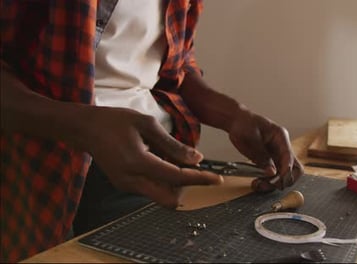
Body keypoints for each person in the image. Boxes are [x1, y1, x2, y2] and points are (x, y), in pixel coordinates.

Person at [0, 0, 304, 262]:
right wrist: (83, 127)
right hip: (53, 173)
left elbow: (174, 63)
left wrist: (234, 114)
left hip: (159, 156)